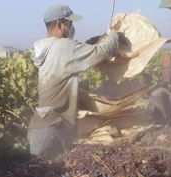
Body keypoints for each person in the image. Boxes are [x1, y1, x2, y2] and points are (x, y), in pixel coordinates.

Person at [28, 5, 123, 158]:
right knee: (42, 175)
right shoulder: (64, 47)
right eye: (70, 24)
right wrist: (114, 36)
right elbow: (103, 52)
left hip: (45, 124)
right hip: (51, 129)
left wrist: (96, 40)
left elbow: (78, 51)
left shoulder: (48, 47)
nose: (72, 28)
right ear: (60, 25)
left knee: (51, 174)